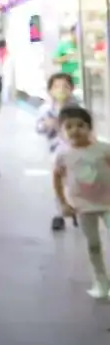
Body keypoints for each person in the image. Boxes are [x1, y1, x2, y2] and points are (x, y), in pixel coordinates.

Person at [52, 105, 110, 299]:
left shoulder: (103, 149)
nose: (75, 130)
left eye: (80, 125)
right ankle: (101, 283)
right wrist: (64, 203)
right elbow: (57, 179)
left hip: (108, 203)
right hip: (83, 207)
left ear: (89, 128)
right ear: (62, 131)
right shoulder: (63, 155)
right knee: (93, 245)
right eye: (69, 126)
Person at [38, 72, 81, 232]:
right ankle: (61, 213)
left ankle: (77, 210)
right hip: (56, 152)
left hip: (76, 150)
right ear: (50, 90)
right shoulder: (45, 109)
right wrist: (47, 125)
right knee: (59, 182)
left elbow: (84, 127)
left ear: (72, 89)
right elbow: (39, 128)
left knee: (75, 182)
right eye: (56, 86)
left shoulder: (76, 108)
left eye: (65, 86)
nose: (61, 90)